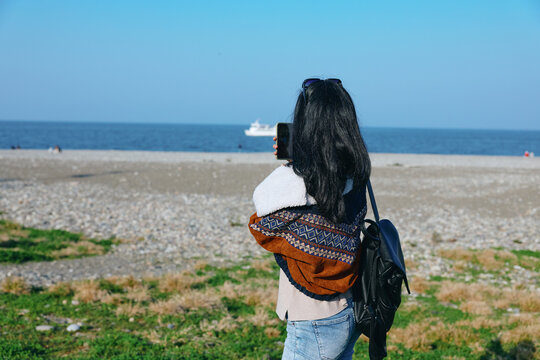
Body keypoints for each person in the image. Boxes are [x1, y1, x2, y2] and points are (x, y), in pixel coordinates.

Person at [248, 78, 371, 360]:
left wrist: (293, 165)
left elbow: (262, 203)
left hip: (314, 317)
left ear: (307, 124)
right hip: (350, 305)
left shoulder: (297, 178)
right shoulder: (356, 169)